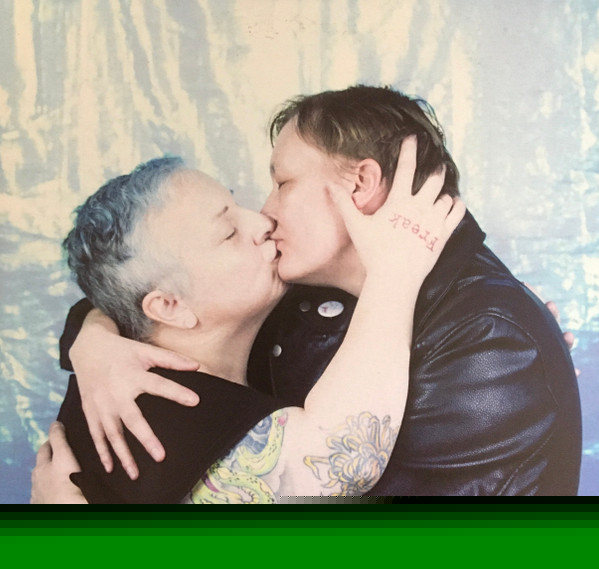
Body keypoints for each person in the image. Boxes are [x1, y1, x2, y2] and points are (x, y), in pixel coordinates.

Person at [35, 85, 582, 498]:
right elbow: (138, 289)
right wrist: (94, 339)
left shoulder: (487, 343)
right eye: (229, 230)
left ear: (360, 184)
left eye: (282, 183)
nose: (263, 216)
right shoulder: (298, 300)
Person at [32, 147, 463, 502]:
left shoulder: (124, 357)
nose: (262, 222)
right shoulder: (162, 419)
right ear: (170, 306)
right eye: (228, 233)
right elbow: (342, 461)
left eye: (238, 204)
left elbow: (106, 300)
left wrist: (93, 334)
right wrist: (395, 270)